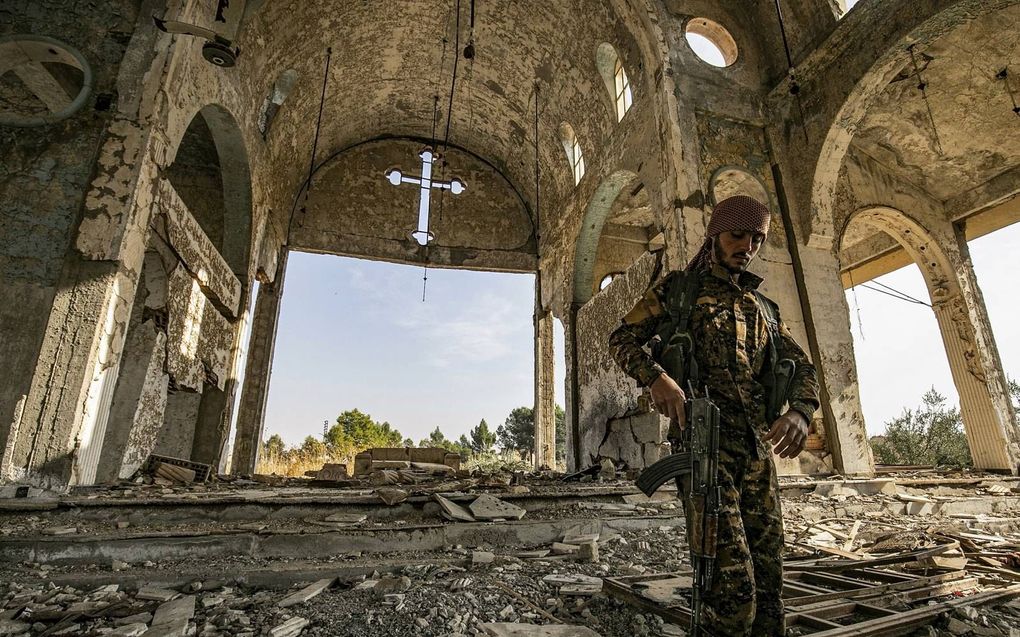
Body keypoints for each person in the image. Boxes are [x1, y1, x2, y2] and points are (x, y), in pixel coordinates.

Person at [608, 195, 820, 636]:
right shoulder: (679, 291)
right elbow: (622, 338)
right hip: (706, 451)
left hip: (758, 456)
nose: (747, 246)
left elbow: (802, 366)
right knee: (731, 592)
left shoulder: (762, 308)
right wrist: (656, 378)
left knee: (769, 589)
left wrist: (801, 411)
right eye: (737, 235)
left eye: (756, 239)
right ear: (715, 236)